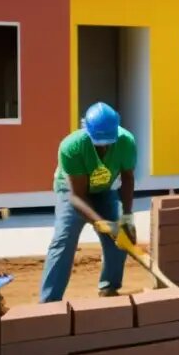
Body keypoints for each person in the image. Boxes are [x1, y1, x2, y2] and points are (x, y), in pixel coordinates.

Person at [41, 103, 137, 302]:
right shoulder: (71, 146)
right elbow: (77, 196)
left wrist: (126, 217)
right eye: (98, 143)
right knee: (63, 240)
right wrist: (101, 224)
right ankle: (49, 301)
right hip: (72, 191)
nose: (103, 147)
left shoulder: (126, 141)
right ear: (86, 130)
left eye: (107, 142)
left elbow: (127, 178)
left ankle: (109, 287)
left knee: (122, 234)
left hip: (104, 189)